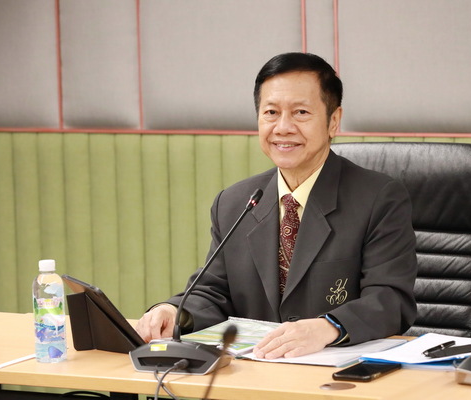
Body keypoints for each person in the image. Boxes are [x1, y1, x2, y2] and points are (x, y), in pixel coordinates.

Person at [135, 52, 417, 359]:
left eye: (300, 113)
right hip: (254, 372)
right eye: (271, 112)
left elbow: (390, 299)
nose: (283, 127)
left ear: (333, 121)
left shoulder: (378, 198)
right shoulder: (234, 203)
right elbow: (213, 291)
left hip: (336, 373)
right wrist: (175, 311)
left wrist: (329, 327)